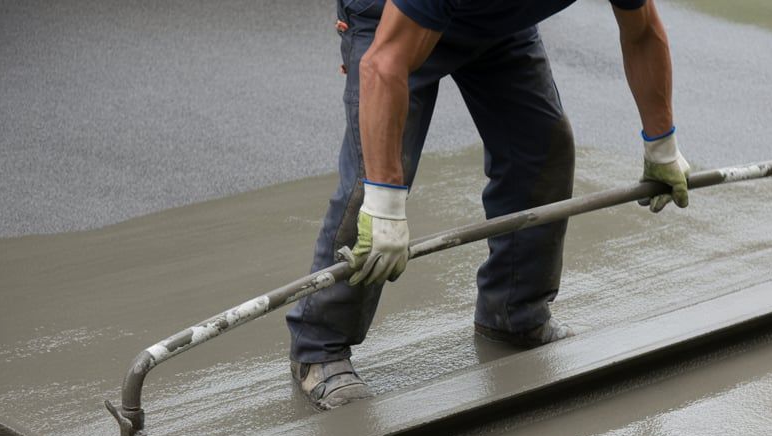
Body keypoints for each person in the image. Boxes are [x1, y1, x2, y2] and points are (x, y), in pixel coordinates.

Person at [286, 0, 690, 409]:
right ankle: (320, 349)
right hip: (390, 19)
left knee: (541, 148)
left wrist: (661, 147)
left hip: (494, 18)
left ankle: (514, 313)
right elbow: (383, 64)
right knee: (372, 184)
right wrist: (386, 204)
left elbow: (641, 31)